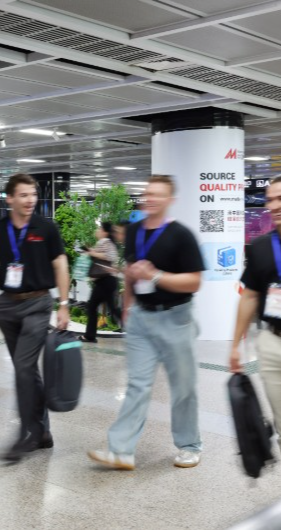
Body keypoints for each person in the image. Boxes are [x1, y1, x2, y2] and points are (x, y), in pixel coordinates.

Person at [88, 175, 204, 471]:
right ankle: (121, 450)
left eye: (157, 194)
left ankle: (189, 445)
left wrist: (155, 276)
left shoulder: (181, 235)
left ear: (170, 200)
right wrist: (128, 306)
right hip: (141, 318)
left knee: (183, 387)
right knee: (137, 384)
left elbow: (194, 281)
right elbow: (130, 271)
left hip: (176, 317)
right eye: (147, 193)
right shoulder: (135, 231)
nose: (150, 198)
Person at [0, 173, 70, 463]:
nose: (31, 199)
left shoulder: (46, 228)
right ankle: (43, 431)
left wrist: (63, 304)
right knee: (28, 370)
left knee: (22, 367)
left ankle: (27, 433)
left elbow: (60, 263)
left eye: (33, 194)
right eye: (23, 195)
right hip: (8, 305)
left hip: (37, 303)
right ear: (10, 198)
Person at [231, 175, 281, 428]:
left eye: (280, 198)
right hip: (273, 341)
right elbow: (249, 296)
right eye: (270, 200)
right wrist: (235, 346)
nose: (274, 205)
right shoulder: (261, 246)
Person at [81, 222, 120, 343]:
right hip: (107, 281)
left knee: (92, 306)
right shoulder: (106, 243)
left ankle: (90, 336)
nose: (97, 230)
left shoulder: (105, 242)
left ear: (105, 232)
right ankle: (90, 335)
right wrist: (90, 252)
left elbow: (110, 257)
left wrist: (92, 253)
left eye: (99, 228)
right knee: (112, 309)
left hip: (105, 281)